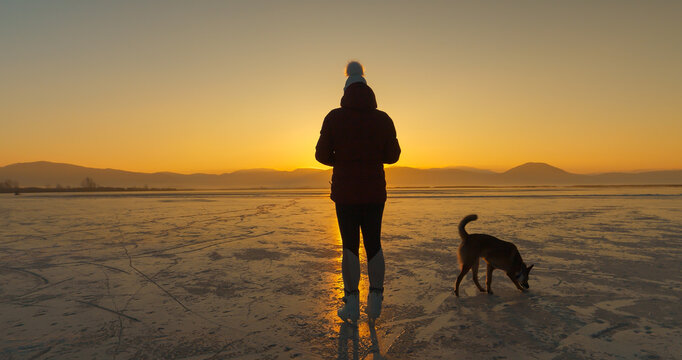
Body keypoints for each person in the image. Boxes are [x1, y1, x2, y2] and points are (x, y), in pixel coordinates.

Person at [315, 61, 401, 322]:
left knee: (350, 246)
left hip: (346, 194)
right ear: (367, 88)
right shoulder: (383, 118)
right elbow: (393, 155)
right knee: (373, 244)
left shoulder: (334, 117)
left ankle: (351, 303)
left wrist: (342, 161)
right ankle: (375, 302)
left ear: (345, 89)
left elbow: (320, 155)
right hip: (374, 193)